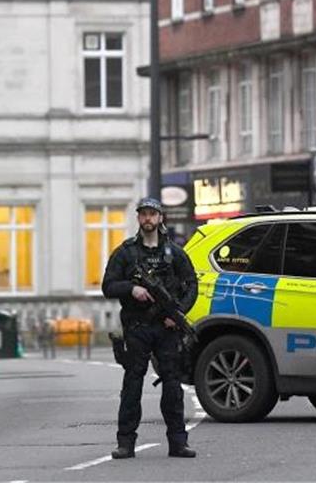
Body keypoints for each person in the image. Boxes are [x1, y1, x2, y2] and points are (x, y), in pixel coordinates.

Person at [101, 196, 199, 459]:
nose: (148, 219)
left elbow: (191, 285)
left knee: (172, 385)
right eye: (143, 214)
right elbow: (108, 285)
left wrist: (177, 313)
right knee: (132, 383)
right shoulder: (126, 252)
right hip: (137, 327)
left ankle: (178, 442)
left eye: (152, 215)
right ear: (138, 218)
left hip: (166, 328)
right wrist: (132, 288)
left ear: (160, 218)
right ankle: (126, 443)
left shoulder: (175, 253)